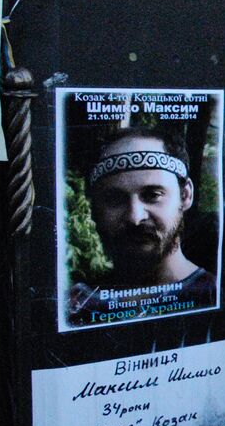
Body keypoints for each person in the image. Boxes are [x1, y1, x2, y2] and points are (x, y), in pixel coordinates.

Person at [67, 128, 216, 326]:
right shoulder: (77, 306)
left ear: (185, 195)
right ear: (94, 209)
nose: (135, 217)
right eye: (115, 199)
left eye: (153, 195)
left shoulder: (216, 296)